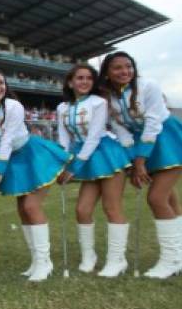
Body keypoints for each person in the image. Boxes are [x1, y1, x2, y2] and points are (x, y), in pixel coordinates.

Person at [99, 51, 182, 279]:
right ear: (107, 73)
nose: (124, 71)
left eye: (128, 66)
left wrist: (141, 160)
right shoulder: (108, 97)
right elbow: (121, 131)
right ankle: (181, 257)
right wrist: (133, 160)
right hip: (143, 145)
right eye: (117, 68)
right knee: (170, 198)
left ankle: (171, 260)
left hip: (167, 138)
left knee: (156, 198)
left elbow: (153, 122)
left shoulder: (148, 85)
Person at [0, 69, 70, 282]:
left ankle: (45, 262)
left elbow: (6, 140)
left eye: (0, 82)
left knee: (31, 206)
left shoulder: (13, 106)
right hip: (13, 161)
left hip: (33, 155)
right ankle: (36, 260)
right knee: (22, 210)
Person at [55, 64, 132, 277]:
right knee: (82, 210)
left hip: (105, 154)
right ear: (70, 82)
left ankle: (117, 260)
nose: (84, 82)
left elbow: (95, 136)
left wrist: (74, 167)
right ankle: (89, 256)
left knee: (111, 207)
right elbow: (63, 139)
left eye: (89, 78)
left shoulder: (99, 102)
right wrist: (62, 163)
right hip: (84, 158)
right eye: (79, 78)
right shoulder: (61, 108)